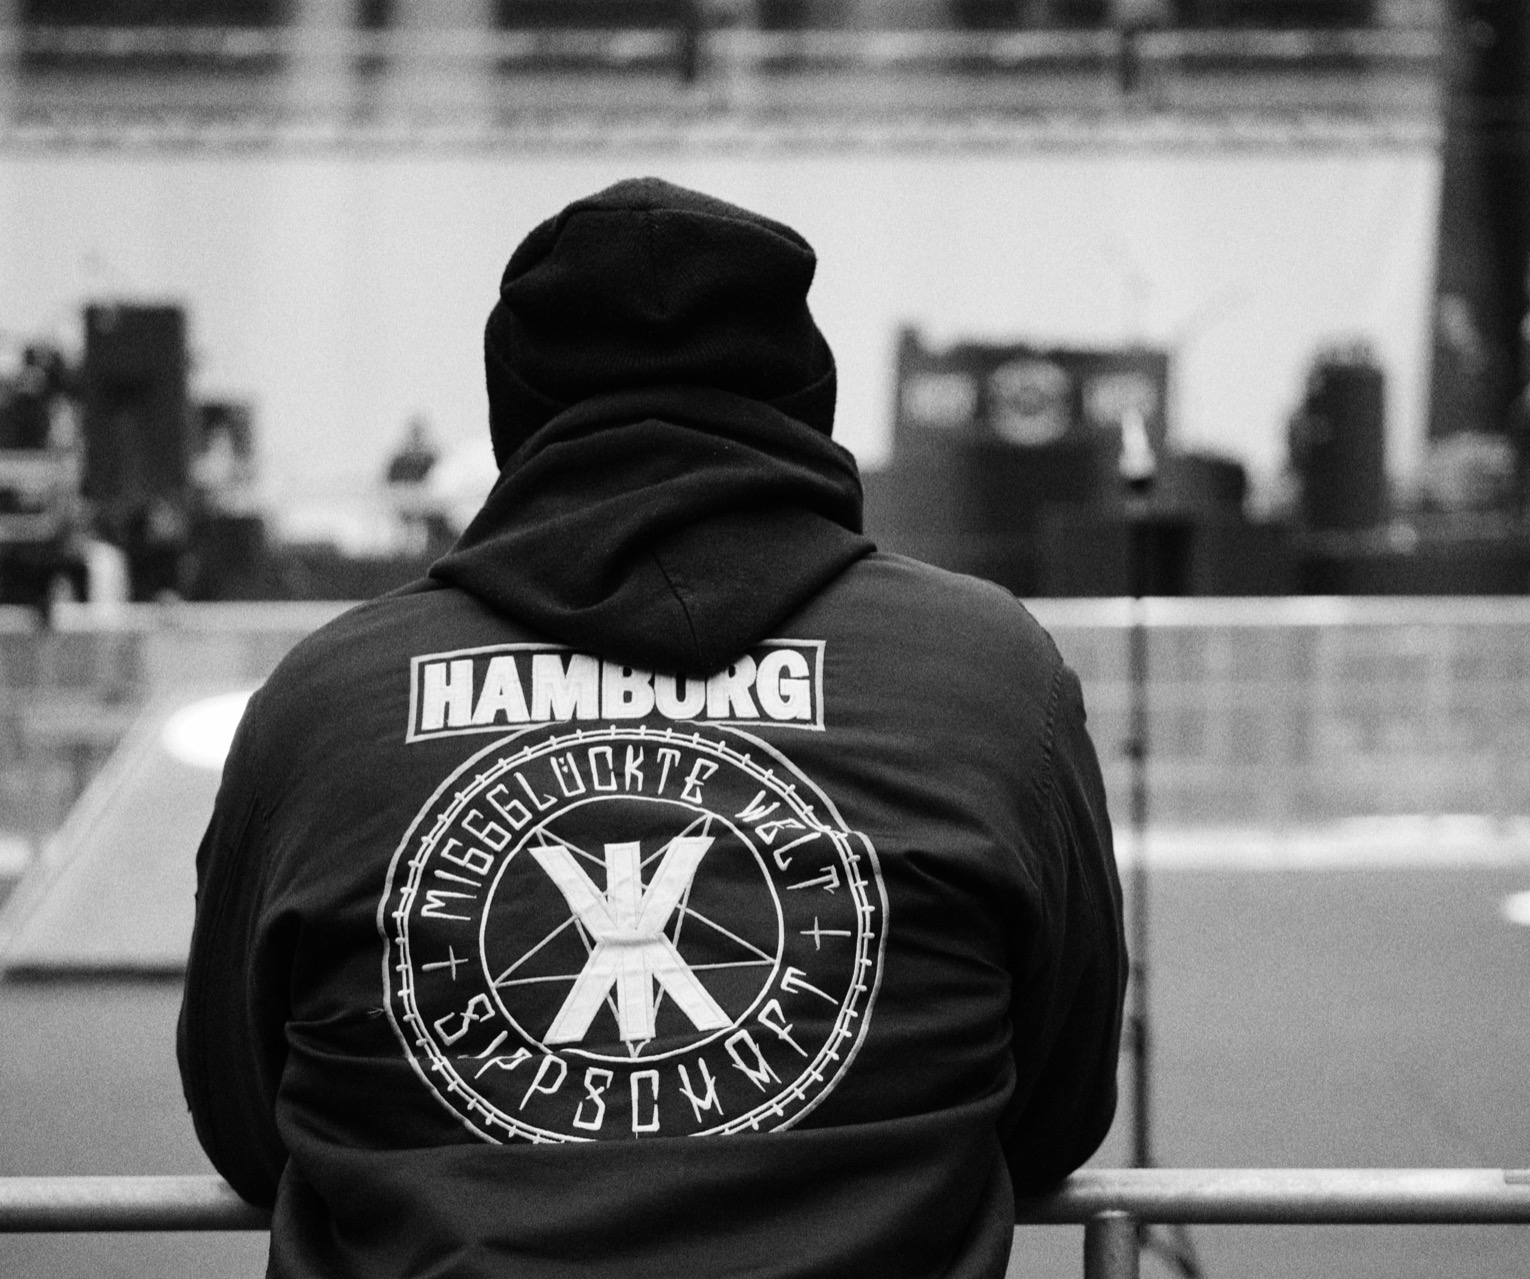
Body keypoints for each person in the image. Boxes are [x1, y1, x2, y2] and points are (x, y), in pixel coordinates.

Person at [177, 177, 1126, 1278]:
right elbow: (1056, 1111)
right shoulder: (990, 676)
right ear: (806, 393)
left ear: (513, 408)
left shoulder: (325, 700)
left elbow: (246, 1121)